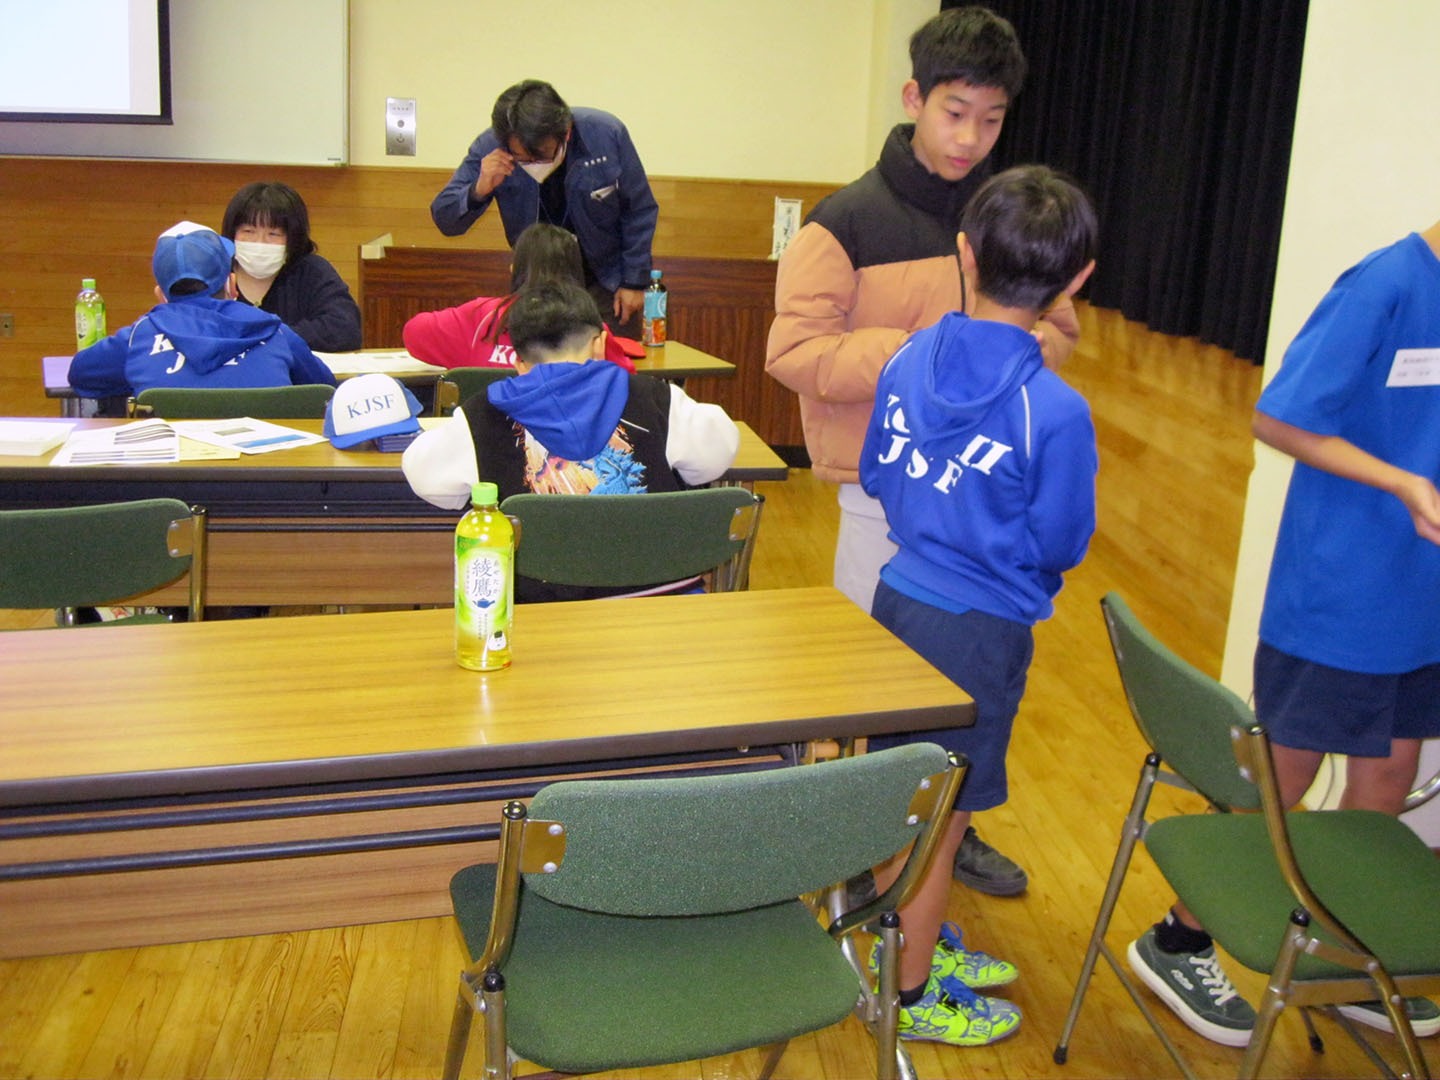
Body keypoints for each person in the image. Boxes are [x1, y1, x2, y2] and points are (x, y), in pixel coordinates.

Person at [766, 3, 1062, 900]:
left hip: (982, 497)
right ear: (914, 98)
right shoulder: (844, 221)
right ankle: (863, 855)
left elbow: (1059, 329)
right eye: (954, 112)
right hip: (881, 490)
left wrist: (1017, 351)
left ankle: (948, 824)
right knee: (876, 679)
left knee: (965, 680)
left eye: (992, 120)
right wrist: (917, 352)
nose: (971, 138)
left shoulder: (1009, 215)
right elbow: (793, 354)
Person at [1129, 220, 1440, 1047]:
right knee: (1284, 779)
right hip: (1342, 591)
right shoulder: (1387, 284)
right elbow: (1278, 418)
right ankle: (1176, 939)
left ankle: (1341, 957)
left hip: (1421, 596)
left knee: (1388, 779)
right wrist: (1402, 482)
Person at [858, 164, 1098, 1048]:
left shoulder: (906, 357)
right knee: (942, 818)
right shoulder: (1055, 410)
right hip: (979, 633)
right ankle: (911, 992)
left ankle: (903, 936)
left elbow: (878, 473)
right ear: (1076, 280)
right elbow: (1062, 541)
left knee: (908, 797)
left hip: (896, 602)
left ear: (963, 253)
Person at [402, 281, 738, 600]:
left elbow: (428, 481)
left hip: (543, 615)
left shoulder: (480, 416)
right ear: (600, 345)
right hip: (661, 606)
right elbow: (715, 458)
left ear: (519, 363)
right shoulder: (659, 400)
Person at [430, 79, 658, 337]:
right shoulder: (490, 146)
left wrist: (634, 281)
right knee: (538, 359)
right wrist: (479, 188)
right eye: (522, 158)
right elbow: (445, 219)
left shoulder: (605, 134)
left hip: (606, 284)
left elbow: (639, 208)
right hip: (534, 288)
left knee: (609, 359)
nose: (534, 164)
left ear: (566, 132)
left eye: (542, 154)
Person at [68, 221, 337, 403]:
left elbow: (80, 375)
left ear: (161, 296)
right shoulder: (275, 331)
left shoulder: (138, 336)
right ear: (232, 285)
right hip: (266, 470)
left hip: (170, 472)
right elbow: (324, 389)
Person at [401, 223, 638, 372]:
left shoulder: (482, 316)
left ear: (514, 269)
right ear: (576, 273)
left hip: (487, 435)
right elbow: (626, 378)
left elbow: (414, 333)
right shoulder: (590, 327)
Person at [220, 181, 363, 352]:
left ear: (293, 238)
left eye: (273, 234)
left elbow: (345, 329)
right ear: (232, 233)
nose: (260, 242)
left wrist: (271, 336)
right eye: (249, 231)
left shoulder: (312, 271)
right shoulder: (215, 272)